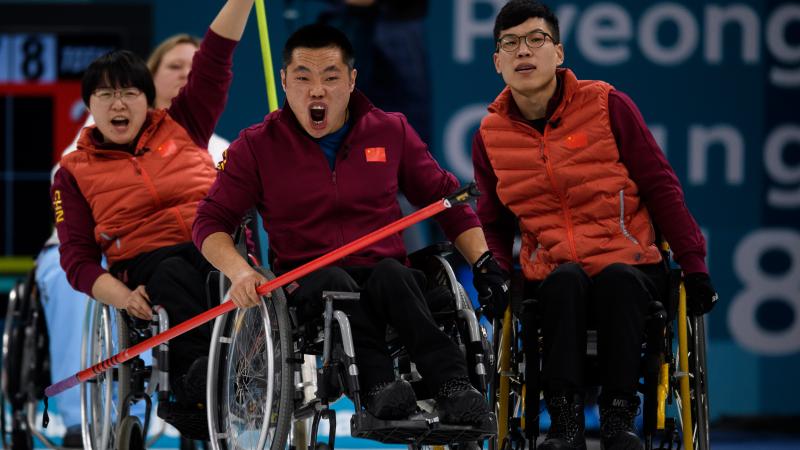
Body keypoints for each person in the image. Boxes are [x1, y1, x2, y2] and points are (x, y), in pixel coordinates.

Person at [193, 24, 503, 428]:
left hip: (384, 273)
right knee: (336, 280)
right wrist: (240, 271)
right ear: (285, 81)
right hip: (306, 282)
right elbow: (209, 222)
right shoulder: (255, 146)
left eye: (331, 77)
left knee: (396, 275)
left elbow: (446, 200)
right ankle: (377, 390)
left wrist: (483, 263)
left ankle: (453, 387)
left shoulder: (391, 131)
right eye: (303, 77)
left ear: (352, 80)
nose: (316, 90)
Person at [472, 1, 718, 449]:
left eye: (535, 40)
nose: (522, 51)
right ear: (497, 61)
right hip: (552, 271)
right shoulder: (490, 134)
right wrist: (492, 269)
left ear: (559, 53)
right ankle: (564, 422)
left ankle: (618, 418)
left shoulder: (608, 105)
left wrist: (694, 264)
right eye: (510, 44)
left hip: (630, 263)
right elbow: (492, 219)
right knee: (564, 282)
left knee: (618, 280)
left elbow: (661, 188)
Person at [50, 0, 253, 420]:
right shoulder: (72, 173)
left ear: (147, 99)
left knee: (215, 265)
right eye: (106, 94)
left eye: (129, 92)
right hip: (148, 262)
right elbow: (77, 261)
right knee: (174, 272)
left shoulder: (184, 122)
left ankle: (245, 367)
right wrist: (122, 297)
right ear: (90, 104)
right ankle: (195, 379)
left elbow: (215, 56)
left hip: (213, 242)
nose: (118, 104)